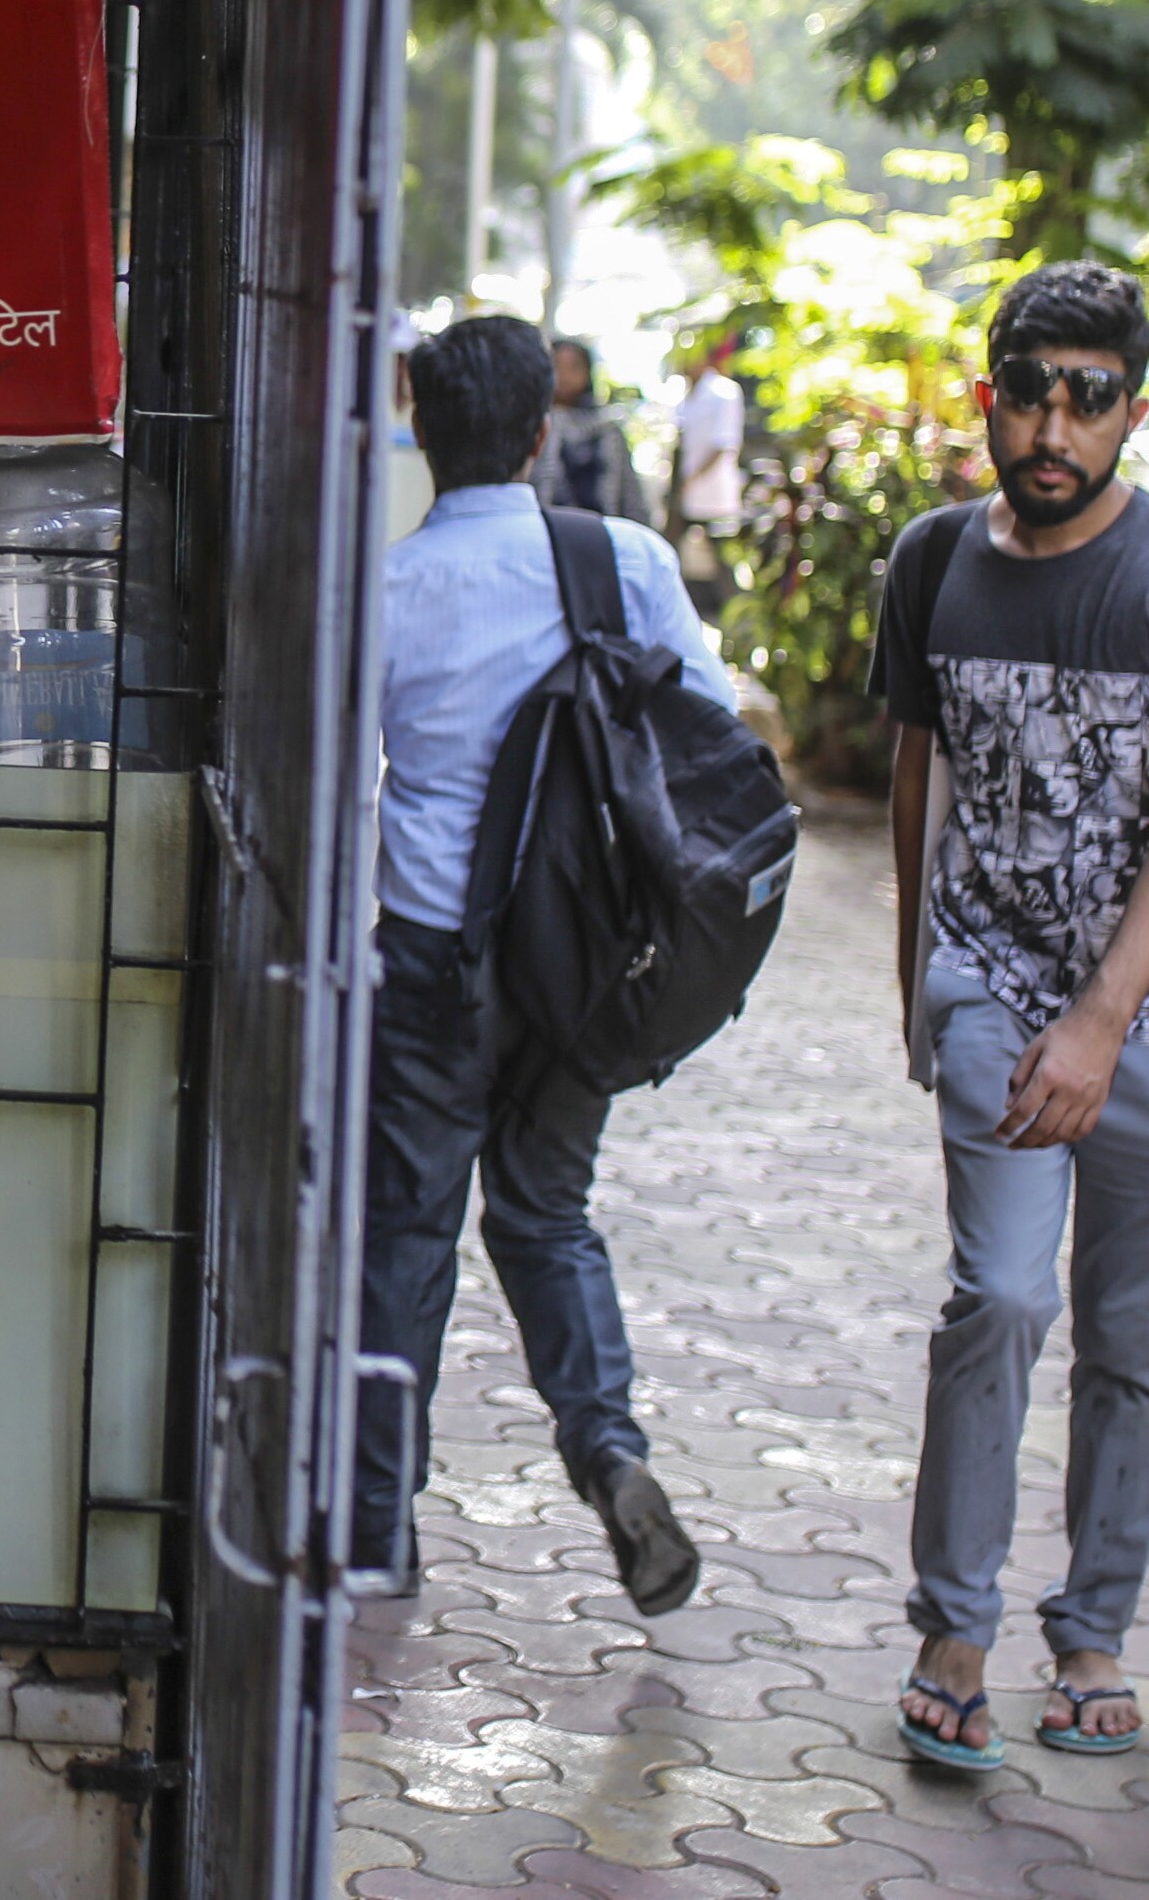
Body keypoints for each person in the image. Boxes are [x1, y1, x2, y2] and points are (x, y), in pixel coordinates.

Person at [873, 262, 1149, 1770]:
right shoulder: (930, 559)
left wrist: (1102, 1020)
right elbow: (916, 772)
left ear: (1132, 410)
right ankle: (952, 1628)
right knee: (998, 1296)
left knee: (1127, 1339)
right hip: (990, 979)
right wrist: (918, 977)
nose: (1054, 430)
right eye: (1031, 394)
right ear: (989, 396)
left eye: (1089, 399)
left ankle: (1092, 1629)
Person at [364, 315, 727, 1611]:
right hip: (579, 965)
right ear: (538, 433)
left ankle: (377, 1523)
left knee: (408, 1230)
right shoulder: (621, 561)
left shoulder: (389, 592)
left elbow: (336, 787)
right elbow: (710, 735)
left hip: (430, 963)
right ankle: (610, 1451)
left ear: (420, 426)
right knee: (547, 1215)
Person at [668, 334, 748, 613]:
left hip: (713, 492)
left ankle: (738, 617)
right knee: (672, 553)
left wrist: (693, 478)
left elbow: (723, 443)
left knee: (723, 560)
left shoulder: (724, 392)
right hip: (685, 492)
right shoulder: (683, 394)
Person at [537, 338, 655, 523]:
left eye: (574, 367)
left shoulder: (608, 429)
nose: (565, 376)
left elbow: (629, 492)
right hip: (546, 529)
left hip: (602, 530)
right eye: (557, 366)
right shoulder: (533, 426)